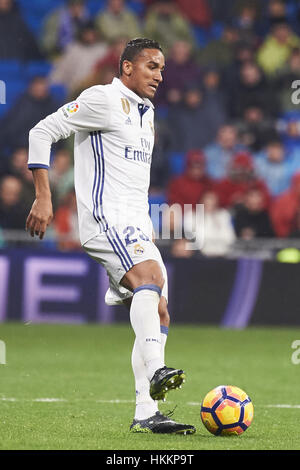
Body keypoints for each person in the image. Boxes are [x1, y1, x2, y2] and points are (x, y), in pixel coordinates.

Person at [26, 38, 195, 435]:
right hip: (106, 219)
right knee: (150, 278)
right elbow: (41, 131)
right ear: (126, 68)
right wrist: (43, 196)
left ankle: (146, 413)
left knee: (159, 310)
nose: (160, 74)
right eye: (151, 66)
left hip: (136, 223)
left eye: (163, 68)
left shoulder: (146, 111)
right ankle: (157, 370)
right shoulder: (102, 99)